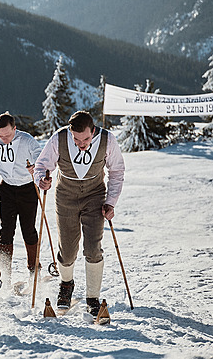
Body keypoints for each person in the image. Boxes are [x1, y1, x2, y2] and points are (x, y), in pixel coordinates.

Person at [33, 110, 125, 316]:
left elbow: (117, 171)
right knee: (67, 250)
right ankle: (66, 285)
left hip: (95, 195)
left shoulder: (107, 139)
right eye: (76, 139)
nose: (81, 144)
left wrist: (111, 202)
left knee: (93, 248)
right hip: (66, 194)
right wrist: (42, 179)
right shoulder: (60, 138)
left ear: (93, 131)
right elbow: (42, 165)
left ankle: (92, 297)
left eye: (85, 139)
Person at [0, 112, 42, 288]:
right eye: (1, 136)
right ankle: (4, 274)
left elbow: (40, 155)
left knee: (28, 230)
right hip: (7, 188)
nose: (5, 139)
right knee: (6, 230)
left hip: (27, 189)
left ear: (15, 129)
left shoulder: (26, 140)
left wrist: (36, 167)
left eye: (8, 135)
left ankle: (34, 269)